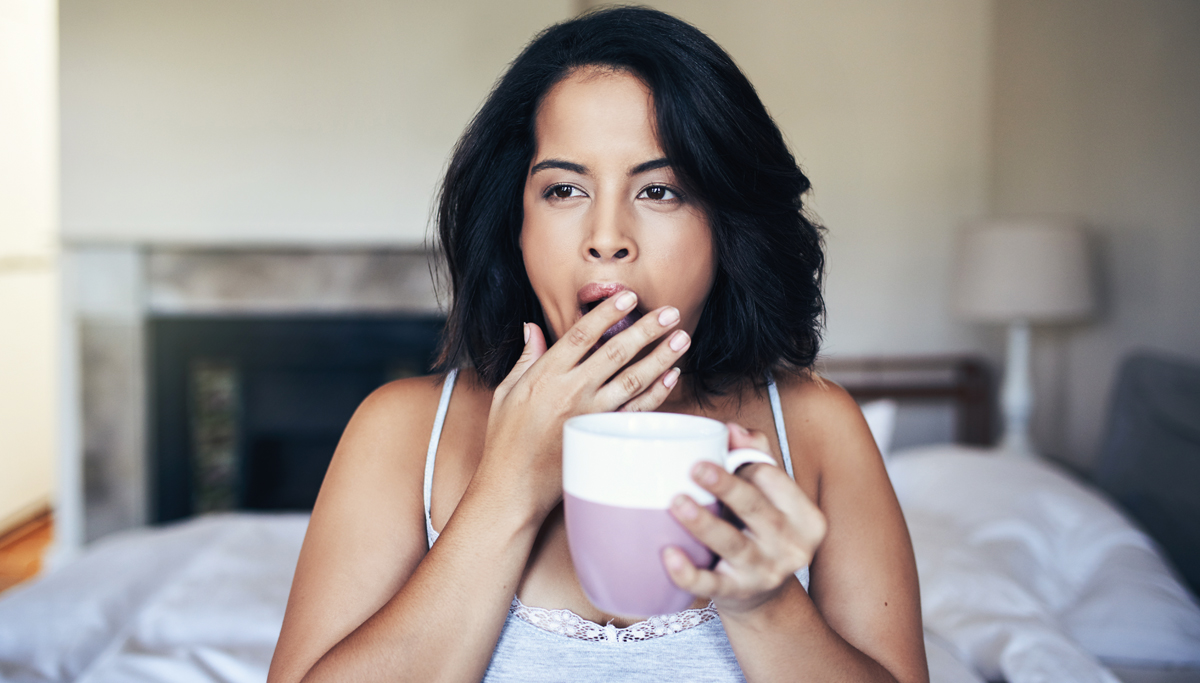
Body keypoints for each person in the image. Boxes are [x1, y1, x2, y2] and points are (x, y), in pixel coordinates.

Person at [268, 7, 927, 683]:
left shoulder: (818, 427)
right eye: (563, 188)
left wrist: (764, 604)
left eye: (660, 190)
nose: (606, 235)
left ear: (726, 228)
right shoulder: (403, 430)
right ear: (515, 225)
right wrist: (510, 486)